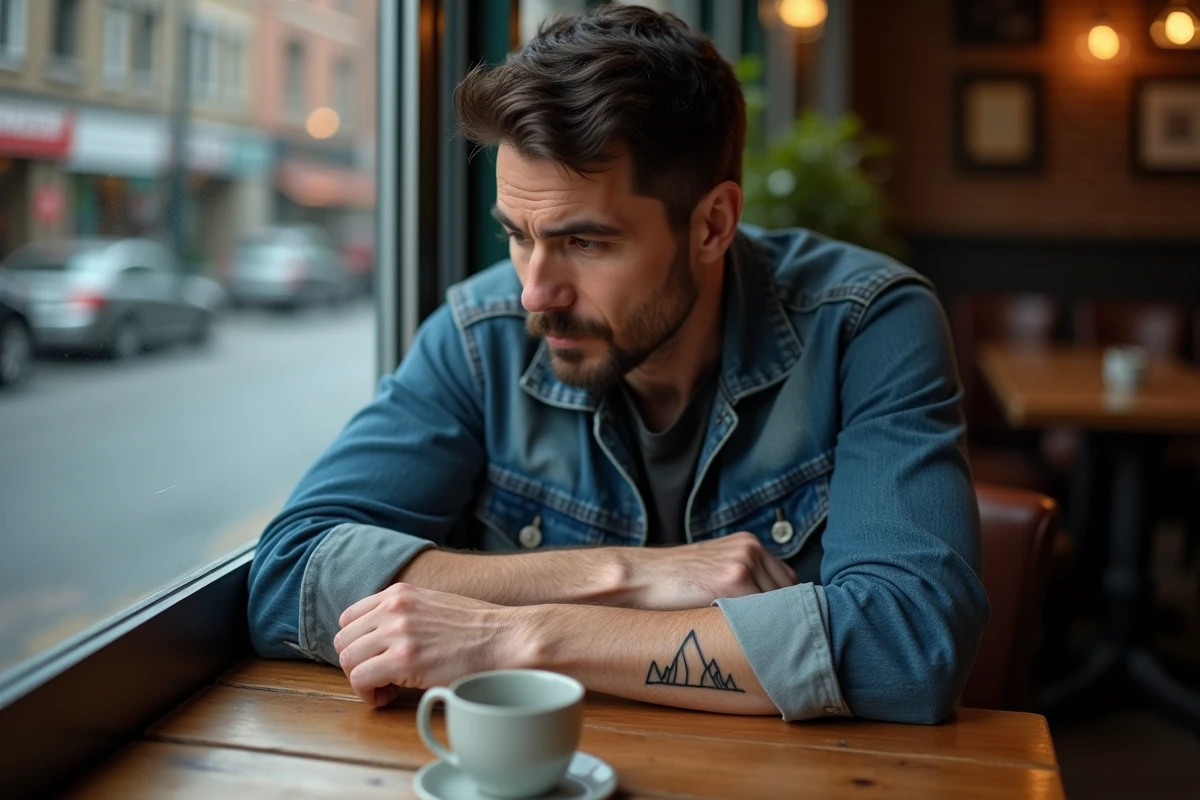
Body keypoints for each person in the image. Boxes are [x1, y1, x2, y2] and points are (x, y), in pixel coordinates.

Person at [247, 4, 988, 725]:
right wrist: (627, 574)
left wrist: (519, 637)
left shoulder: (864, 323)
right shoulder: (481, 335)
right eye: (518, 236)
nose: (535, 293)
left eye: (585, 243)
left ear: (712, 224)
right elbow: (289, 574)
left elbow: (907, 645)